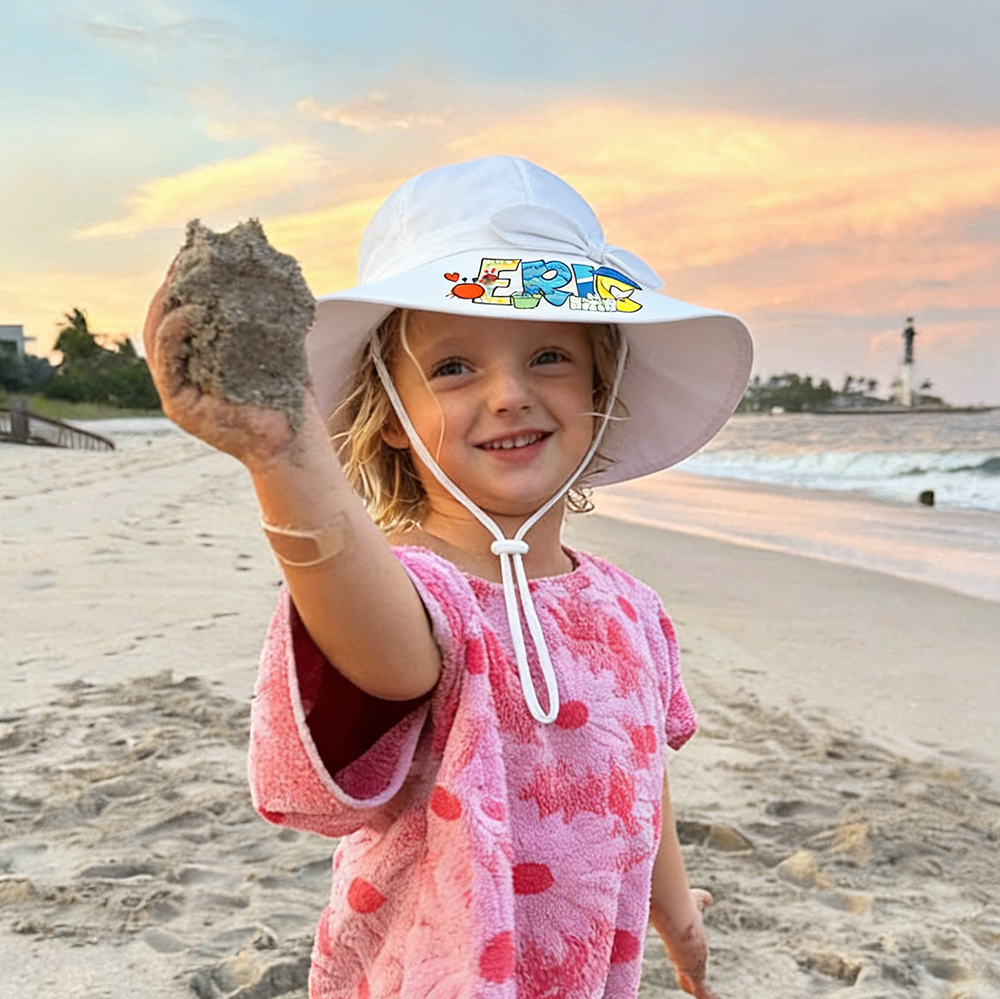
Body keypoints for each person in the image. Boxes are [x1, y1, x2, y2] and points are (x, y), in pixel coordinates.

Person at [143, 155, 753, 999]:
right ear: (390, 416)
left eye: (549, 356)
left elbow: (642, 778)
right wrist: (283, 457)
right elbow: (389, 654)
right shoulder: (419, 593)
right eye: (455, 367)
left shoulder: (631, 608)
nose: (508, 394)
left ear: (601, 388)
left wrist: (677, 915)